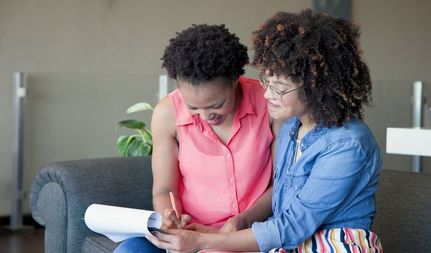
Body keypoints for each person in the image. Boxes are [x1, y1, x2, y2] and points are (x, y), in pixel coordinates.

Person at [146, 9, 383, 252]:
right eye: (267, 82)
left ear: (315, 86)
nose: (267, 95)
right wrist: (235, 224)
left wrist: (206, 241)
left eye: (279, 88)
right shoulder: (293, 127)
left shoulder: (347, 144)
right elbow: (281, 202)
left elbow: (292, 226)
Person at [114, 24, 277, 253]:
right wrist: (170, 217)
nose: (206, 116)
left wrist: (241, 221)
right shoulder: (167, 113)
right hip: (190, 233)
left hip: (248, 234)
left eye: (217, 105)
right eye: (193, 107)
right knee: (130, 250)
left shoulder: (270, 104)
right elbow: (163, 189)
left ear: (234, 79)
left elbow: (282, 185)